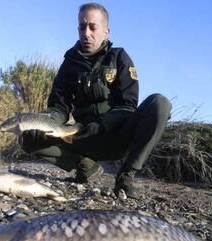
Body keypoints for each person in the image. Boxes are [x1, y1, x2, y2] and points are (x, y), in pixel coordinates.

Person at [20, 2, 171, 198]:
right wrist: (45, 121)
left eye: (93, 27)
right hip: (81, 136)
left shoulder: (120, 58)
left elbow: (127, 105)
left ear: (106, 31)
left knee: (160, 103)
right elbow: (58, 106)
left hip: (118, 137)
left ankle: (126, 175)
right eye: (82, 27)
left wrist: (101, 125)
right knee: (28, 138)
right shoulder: (69, 64)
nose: (86, 33)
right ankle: (85, 166)